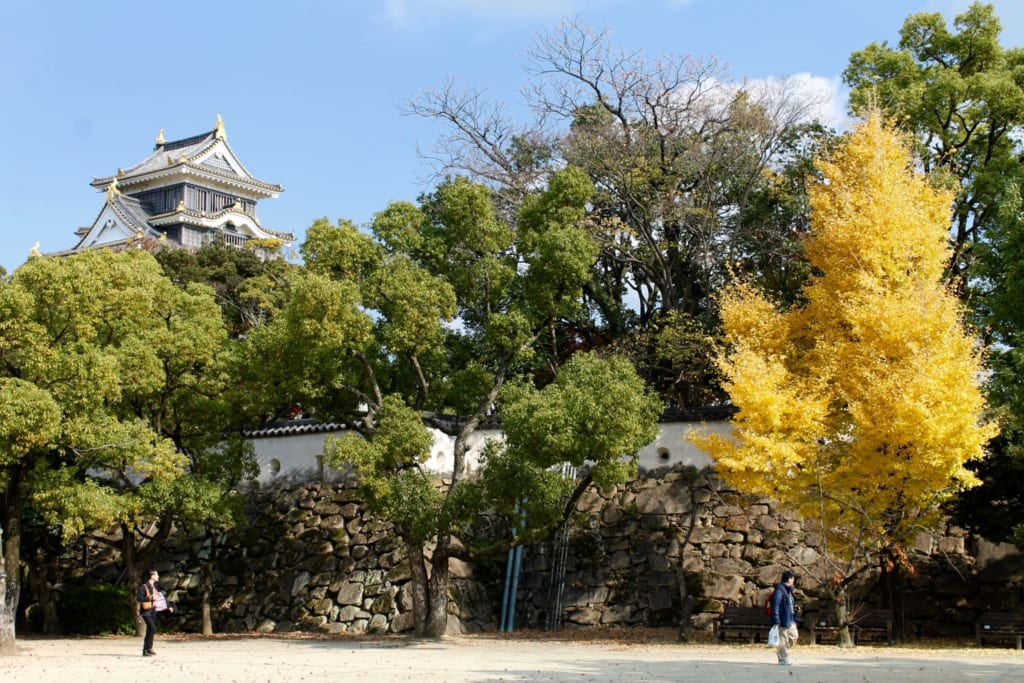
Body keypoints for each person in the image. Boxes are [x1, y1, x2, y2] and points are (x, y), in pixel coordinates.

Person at [137, 569, 173, 656]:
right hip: (146, 611)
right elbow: (139, 598)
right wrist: (149, 597)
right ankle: (145, 649)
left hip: (153, 610)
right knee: (152, 628)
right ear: (152, 576)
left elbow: (161, 597)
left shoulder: (156, 586)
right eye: (156, 575)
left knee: (151, 630)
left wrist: (169, 606)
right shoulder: (143, 587)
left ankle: (149, 648)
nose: (158, 577)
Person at [771, 570, 798, 666]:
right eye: (793, 578)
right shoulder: (779, 590)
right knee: (782, 639)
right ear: (789, 579)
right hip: (783, 618)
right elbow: (776, 605)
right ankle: (784, 658)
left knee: (794, 636)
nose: (794, 580)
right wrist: (776, 619)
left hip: (790, 617)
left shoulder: (789, 589)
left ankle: (782, 653)